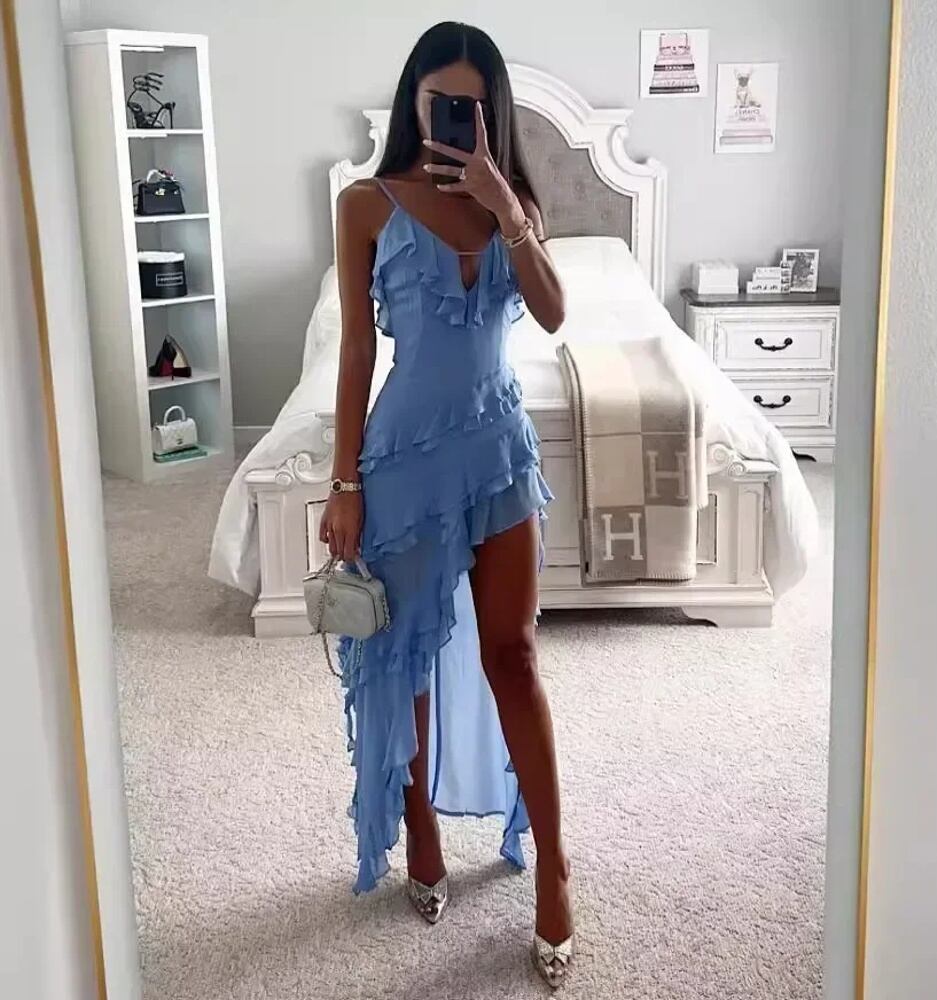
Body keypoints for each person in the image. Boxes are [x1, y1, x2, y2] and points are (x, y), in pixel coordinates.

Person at [318, 20, 574, 989]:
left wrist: (507, 210)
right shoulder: (364, 205)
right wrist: (343, 483)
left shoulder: (516, 204)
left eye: (473, 104)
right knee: (408, 659)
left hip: (497, 452)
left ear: (492, 112)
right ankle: (419, 825)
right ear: (413, 103)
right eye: (441, 103)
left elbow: (553, 312)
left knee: (515, 654)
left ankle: (553, 864)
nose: (457, 118)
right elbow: (356, 350)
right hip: (403, 464)